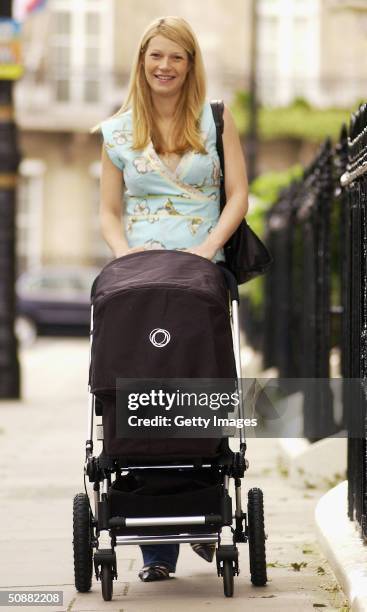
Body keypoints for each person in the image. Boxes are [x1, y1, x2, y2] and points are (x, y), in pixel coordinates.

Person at [99, 16, 249, 582]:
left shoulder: (215, 120)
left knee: (193, 382)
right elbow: (110, 212)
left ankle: (200, 500)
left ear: (191, 64)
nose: (165, 66)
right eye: (156, 56)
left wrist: (208, 249)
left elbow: (237, 194)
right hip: (138, 279)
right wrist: (125, 258)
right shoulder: (116, 131)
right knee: (142, 389)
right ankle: (157, 546)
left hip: (201, 275)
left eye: (177, 58)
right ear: (142, 61)